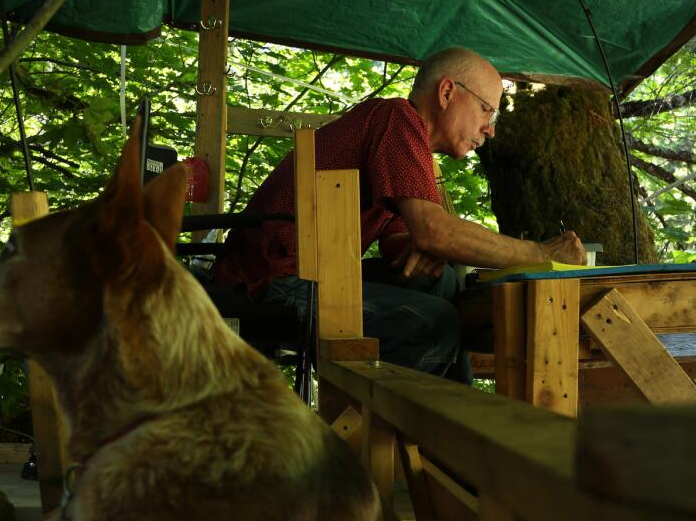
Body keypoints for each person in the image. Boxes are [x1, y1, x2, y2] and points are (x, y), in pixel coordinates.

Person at [213, 47, 586, 382]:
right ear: (446, 93)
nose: (489, 130)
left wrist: (428, 245)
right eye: (487, 110)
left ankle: (447, 421)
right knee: (436, 322)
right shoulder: (397, 118)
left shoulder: (402, 148)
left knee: (444, 283)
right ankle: (414, 437)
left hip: (306, 273)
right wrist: (541, 254)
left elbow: (402, 245)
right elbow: (433, 231)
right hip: (267, 283)